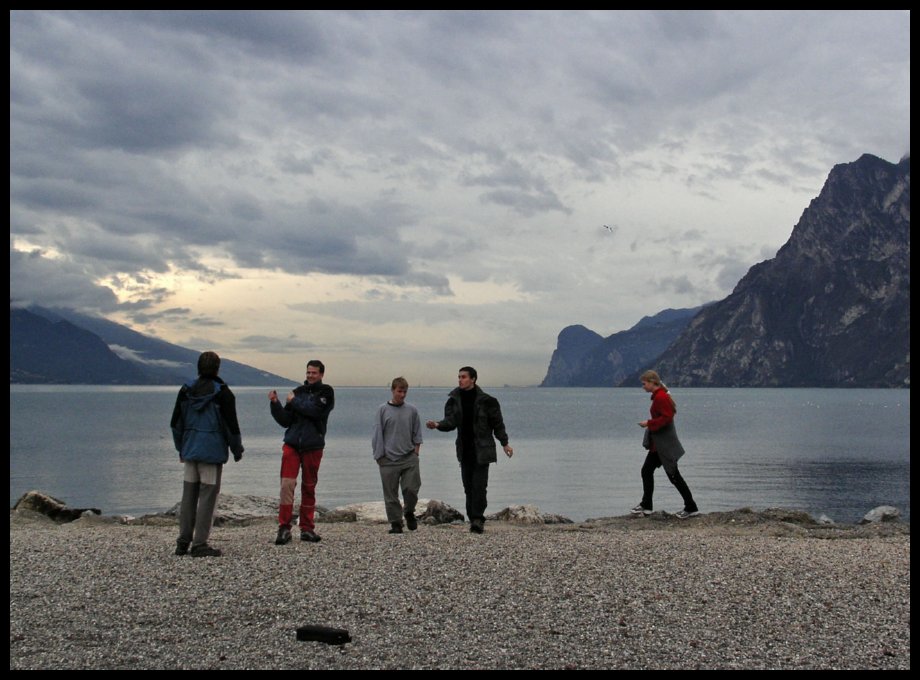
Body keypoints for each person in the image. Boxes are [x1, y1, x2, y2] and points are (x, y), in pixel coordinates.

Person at [170, 351, 244, 557]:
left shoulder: (186, 391)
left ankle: (183, 541)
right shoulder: (224, 394)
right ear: (218, 368)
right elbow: (231, 427)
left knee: (188, 497)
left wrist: (181, 448)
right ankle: (200, 543)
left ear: (198, 367)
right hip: (211, 453)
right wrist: (237, 450)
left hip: (190, 450)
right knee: (207, 498)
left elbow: (176, 424)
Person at [426, 366, 513, 533]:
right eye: (459, 377)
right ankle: (472, 517)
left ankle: (478, 519)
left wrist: (505, 443)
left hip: (482, 450)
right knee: (468, 487)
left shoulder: (488, 401)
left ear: (473, 379)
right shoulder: (453, 400)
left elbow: (498, 425)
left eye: (463, 377)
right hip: (464, 450)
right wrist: (437, 425)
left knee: (479, 486)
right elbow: (450, 422)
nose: (460, 380)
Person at [269, 359, 335, 545]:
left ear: (321, 374)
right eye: (308, 372)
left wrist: (294, 401)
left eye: (314, 373)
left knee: (309, 486)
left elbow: (316, 412)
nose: (310, 376)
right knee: (286, 486)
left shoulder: (326, 392)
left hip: (313, 445)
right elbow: (285, 420)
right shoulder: (298, 392)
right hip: (292, 444)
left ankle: (307, 528)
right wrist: (275, 404)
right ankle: (284, 528)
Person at [633, 370, 699, 519]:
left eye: (644, 384)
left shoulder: (661, 398)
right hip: (658, 446)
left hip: (665, 446)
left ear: (651, 382)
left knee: (674, 476)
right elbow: (666, 417)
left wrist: (648, 423)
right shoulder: (659, 396)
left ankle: (691, 507)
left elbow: (667, 418)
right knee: (646, 471)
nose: (643, 387)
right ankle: (646, 506)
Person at [372, 377, 424, 534]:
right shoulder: (382, 410)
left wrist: (416, 452)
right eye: (399, 391)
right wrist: (379, 456)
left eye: (405, 392)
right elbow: (377, 433)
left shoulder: (412, 410)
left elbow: (417, 432)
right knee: (390, 494)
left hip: (409, 457)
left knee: (411, 489)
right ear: (393, 390)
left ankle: (409, 512)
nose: (402, 395)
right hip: (388, 458)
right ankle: (395, 522)